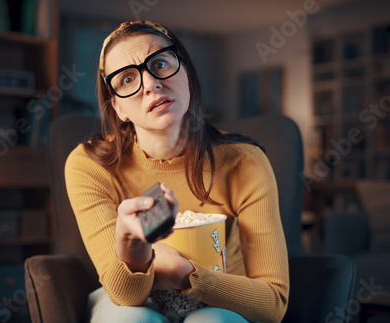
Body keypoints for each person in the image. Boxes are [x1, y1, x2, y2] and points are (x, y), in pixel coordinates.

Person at [65, 20, 289, 323]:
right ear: (117, 108)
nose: (150, 84)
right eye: (127, 79)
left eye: (159, 63)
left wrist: (186, 275)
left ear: (188, 75)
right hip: (132, 304)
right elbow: (125, 296)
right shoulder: (90, 165)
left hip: (221, 300)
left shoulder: (244, 163)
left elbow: (273, 304)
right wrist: (134, 247)